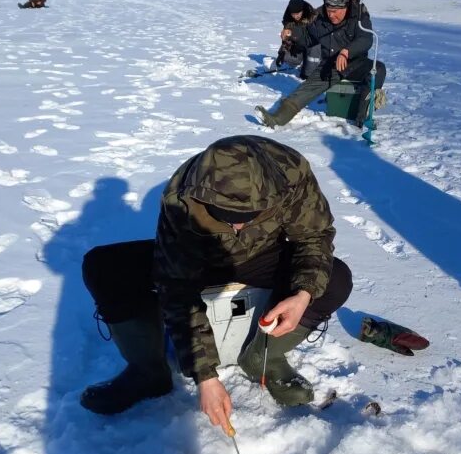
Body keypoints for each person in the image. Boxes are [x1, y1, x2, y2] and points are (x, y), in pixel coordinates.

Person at [80, 135, 353, 430]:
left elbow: (314, 236)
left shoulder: (291, 172)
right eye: (226, 219)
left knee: (336, 279)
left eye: (247, 219)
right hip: (201, 261)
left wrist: (302, 294)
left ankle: (263, 358)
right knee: (104, 267)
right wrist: (206, 377)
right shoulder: (181, 196)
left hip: (263, 256)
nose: (237, 227)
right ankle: (148, 372)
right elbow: (176, 285)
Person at [255, 0, 387, 129]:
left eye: (335, 11)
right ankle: (276, 119)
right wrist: (292, 34)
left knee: (378, 70)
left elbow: (366, 39)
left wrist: (346, 52)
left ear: (346, 6)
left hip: (356, 64)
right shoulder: (319, 16)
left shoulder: (359, 15)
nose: (331, 15)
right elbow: (308, 38)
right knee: (303, 91)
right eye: (329, 10)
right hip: (329, 67)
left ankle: (363, 116)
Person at [276, 0, 321, 80]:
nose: (295, 16)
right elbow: (287, 39)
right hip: (300, 45)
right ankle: (301, 63)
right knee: (287, 58)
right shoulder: (289, 22)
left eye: (298, 13)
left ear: (303, 10)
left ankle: (309, 71)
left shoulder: (314, 18)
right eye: (293, 14)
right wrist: (282, 53)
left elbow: (317, 40)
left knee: (308, 71)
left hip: (313, 47)